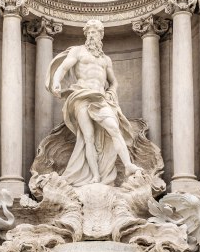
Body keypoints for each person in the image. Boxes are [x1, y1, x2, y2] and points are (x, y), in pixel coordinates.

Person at [46, 19, 142, 186]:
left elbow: (114, 82)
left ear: (100, 35)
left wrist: (111, 92)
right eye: (89, 32)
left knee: (114, 128)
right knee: (88, 137)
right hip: (81, 95)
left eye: (94, 32)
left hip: (100, 98)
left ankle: (128, 165)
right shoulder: (78, 51)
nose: (91, 35)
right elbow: (63, 67)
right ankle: (95, 176)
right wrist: (56, 81)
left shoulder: (106, 60)